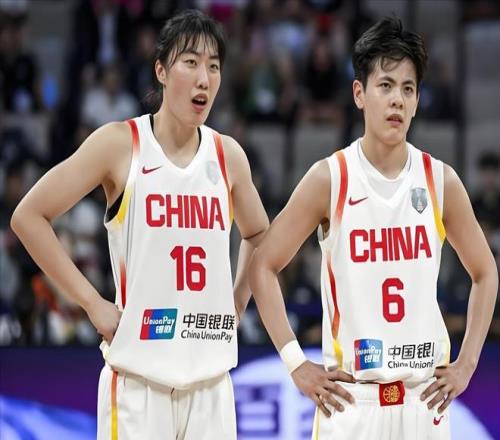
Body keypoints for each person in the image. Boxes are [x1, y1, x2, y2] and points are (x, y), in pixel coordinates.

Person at [11, 9, 269, 440]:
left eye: (214, 66)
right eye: (191, 62)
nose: (204, 78)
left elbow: (259, 233)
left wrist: (239, 300)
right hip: (139, 383)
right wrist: (91, 302)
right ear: (161, 71)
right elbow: (28, 216)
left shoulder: (228, 156)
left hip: (212, 385)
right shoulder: (121, 144)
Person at [249, 17, 498, 440]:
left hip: (424, 401)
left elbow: (486, 271)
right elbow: (263, 266)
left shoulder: (440, 181)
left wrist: (468, 362)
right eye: (385, 85)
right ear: (359, 94)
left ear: (417, 101)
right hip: (353, 403)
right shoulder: (330, 178)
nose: (397, 99)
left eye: (408, 89)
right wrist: (295, 362)